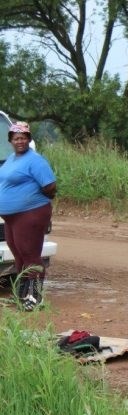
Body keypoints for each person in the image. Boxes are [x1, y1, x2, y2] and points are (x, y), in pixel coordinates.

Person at [0, 122, 57, 311]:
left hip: (30, 214)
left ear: (29, 140)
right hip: (12, 217)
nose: (20, 141)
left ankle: (35, 297)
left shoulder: (35, 160)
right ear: (11, 141)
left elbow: (50, 187)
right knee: (18, 254)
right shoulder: (11, 159)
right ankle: (23, 294)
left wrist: (31, 200)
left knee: (30, 254)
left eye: (23, 138)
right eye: (16, 138)